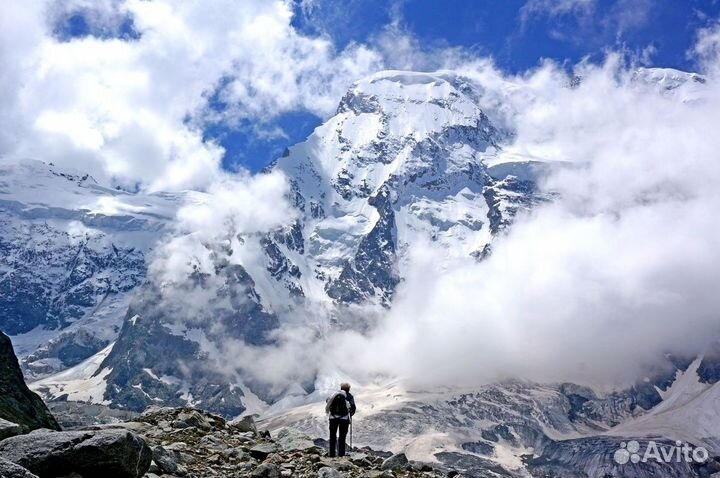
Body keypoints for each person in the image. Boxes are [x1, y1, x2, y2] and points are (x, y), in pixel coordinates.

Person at [325, 382, 356, 457]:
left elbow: (327, 401)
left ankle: (332, 454)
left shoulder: (334, 394)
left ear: (341, 388)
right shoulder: (349, 396)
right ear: (348, 389)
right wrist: (350, 413)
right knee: (342, 437)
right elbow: (353, 407)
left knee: (332, 436)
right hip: (344, 419)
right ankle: (341, 454)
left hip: (333, 418)